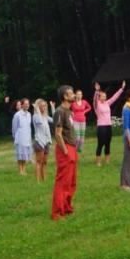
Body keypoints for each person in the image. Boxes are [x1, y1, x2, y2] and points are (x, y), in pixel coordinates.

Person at [51, 85, 79, 219]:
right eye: (71, 93)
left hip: (72, 148)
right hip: (65, 149)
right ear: (65, 97)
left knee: (71, 181)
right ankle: (57, 212)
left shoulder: (69, 111)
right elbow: (57, 134)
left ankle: (67, 207)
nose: (74, 95)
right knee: (62, 181)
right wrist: (66, 151)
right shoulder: (59, 111)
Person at [93, 81, 125, 166]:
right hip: (101, 127)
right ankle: (98, 162)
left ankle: (107, 161)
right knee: (101, 144)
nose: (105, 97)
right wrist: (96, 91)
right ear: (99, 97)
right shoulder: (97, 104)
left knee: (108, 143)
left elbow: (115, 97)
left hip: (108, 126)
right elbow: (95, 99)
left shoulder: (107, 103)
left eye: (105, 96)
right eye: (103, 96)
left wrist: (121, 89)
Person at [6, 96, 33, 175]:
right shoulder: (17, 115)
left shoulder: (29, 114)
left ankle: (24, 169)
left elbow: (28, 126)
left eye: (28, 104)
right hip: (19, 137)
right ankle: (20, 170)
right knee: (20, 154)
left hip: (27, 136)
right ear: (22, 105)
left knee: (25, 154)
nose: (27, 105)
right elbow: (14, 127)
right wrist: (15, 137)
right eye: (25, 104)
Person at [31, 98, 53, 183]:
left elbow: (54, 120)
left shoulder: (45, 116)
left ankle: (44, 180)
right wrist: (37, 110)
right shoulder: (36, 116)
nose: (44, 107)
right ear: (38, 107)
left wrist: (52, 107)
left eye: (45, 106)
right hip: (39, 141)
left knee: (45, 162)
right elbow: (39, 122)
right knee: (39, 162)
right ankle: (38, 181)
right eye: (42, 106)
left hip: (47, 141)